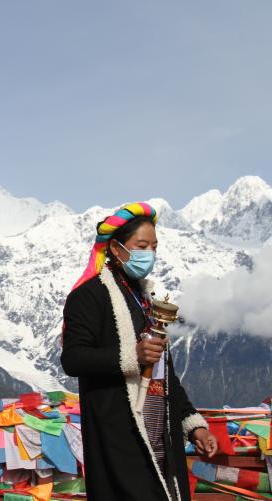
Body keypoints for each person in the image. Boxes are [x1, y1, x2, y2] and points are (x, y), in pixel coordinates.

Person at [61, 203, 218, 501]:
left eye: (154, 246)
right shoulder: (88, 296)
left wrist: (194, 426)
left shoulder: (148, 302)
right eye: (141, 246)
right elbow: (73, 358)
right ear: (116, 248)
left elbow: (165, 374)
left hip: (161, 432)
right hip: (119, 433)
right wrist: (132, 356)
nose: (150, 254)